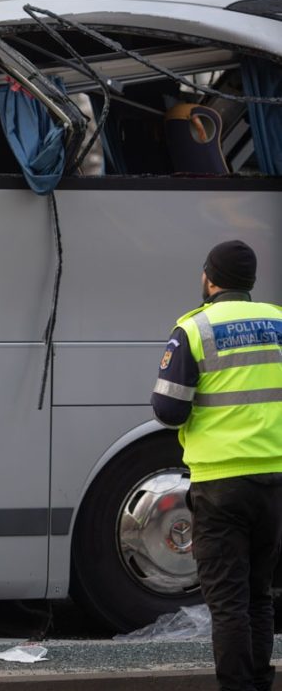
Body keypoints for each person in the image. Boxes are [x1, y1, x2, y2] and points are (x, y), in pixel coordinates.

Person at [151, 240, 282, 691]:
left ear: (210, 278)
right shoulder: (279, 322)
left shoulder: (194, 329)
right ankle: (260, 683)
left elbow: (168, 410)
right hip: (274, 481)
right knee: (259, 595)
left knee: (227, 601)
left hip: (220, 483)